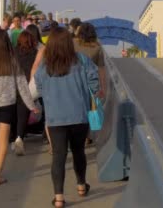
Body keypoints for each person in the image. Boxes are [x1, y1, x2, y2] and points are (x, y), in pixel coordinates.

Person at [34, 27, 99, 207]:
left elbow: (38, 85)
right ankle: (80, 186)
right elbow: (94, 82)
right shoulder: (82, 60)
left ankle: (59, 197)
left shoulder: (45, 65)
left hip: (55, 117)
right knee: (79, 151)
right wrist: (91, 93)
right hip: (79, 115)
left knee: (59, 156)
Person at [0, 29, 39, 185]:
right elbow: (22, 85)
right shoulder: (12, 60)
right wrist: (31, 105)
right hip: (7, 104)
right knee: (3, 140)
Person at [11, 30, 38, 155]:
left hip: (13, 85)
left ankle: (12, 137)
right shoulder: (35, 53)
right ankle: (19, 137)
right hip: (28, 86)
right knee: (23, 115)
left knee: (13, 113)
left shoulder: (14, 52)